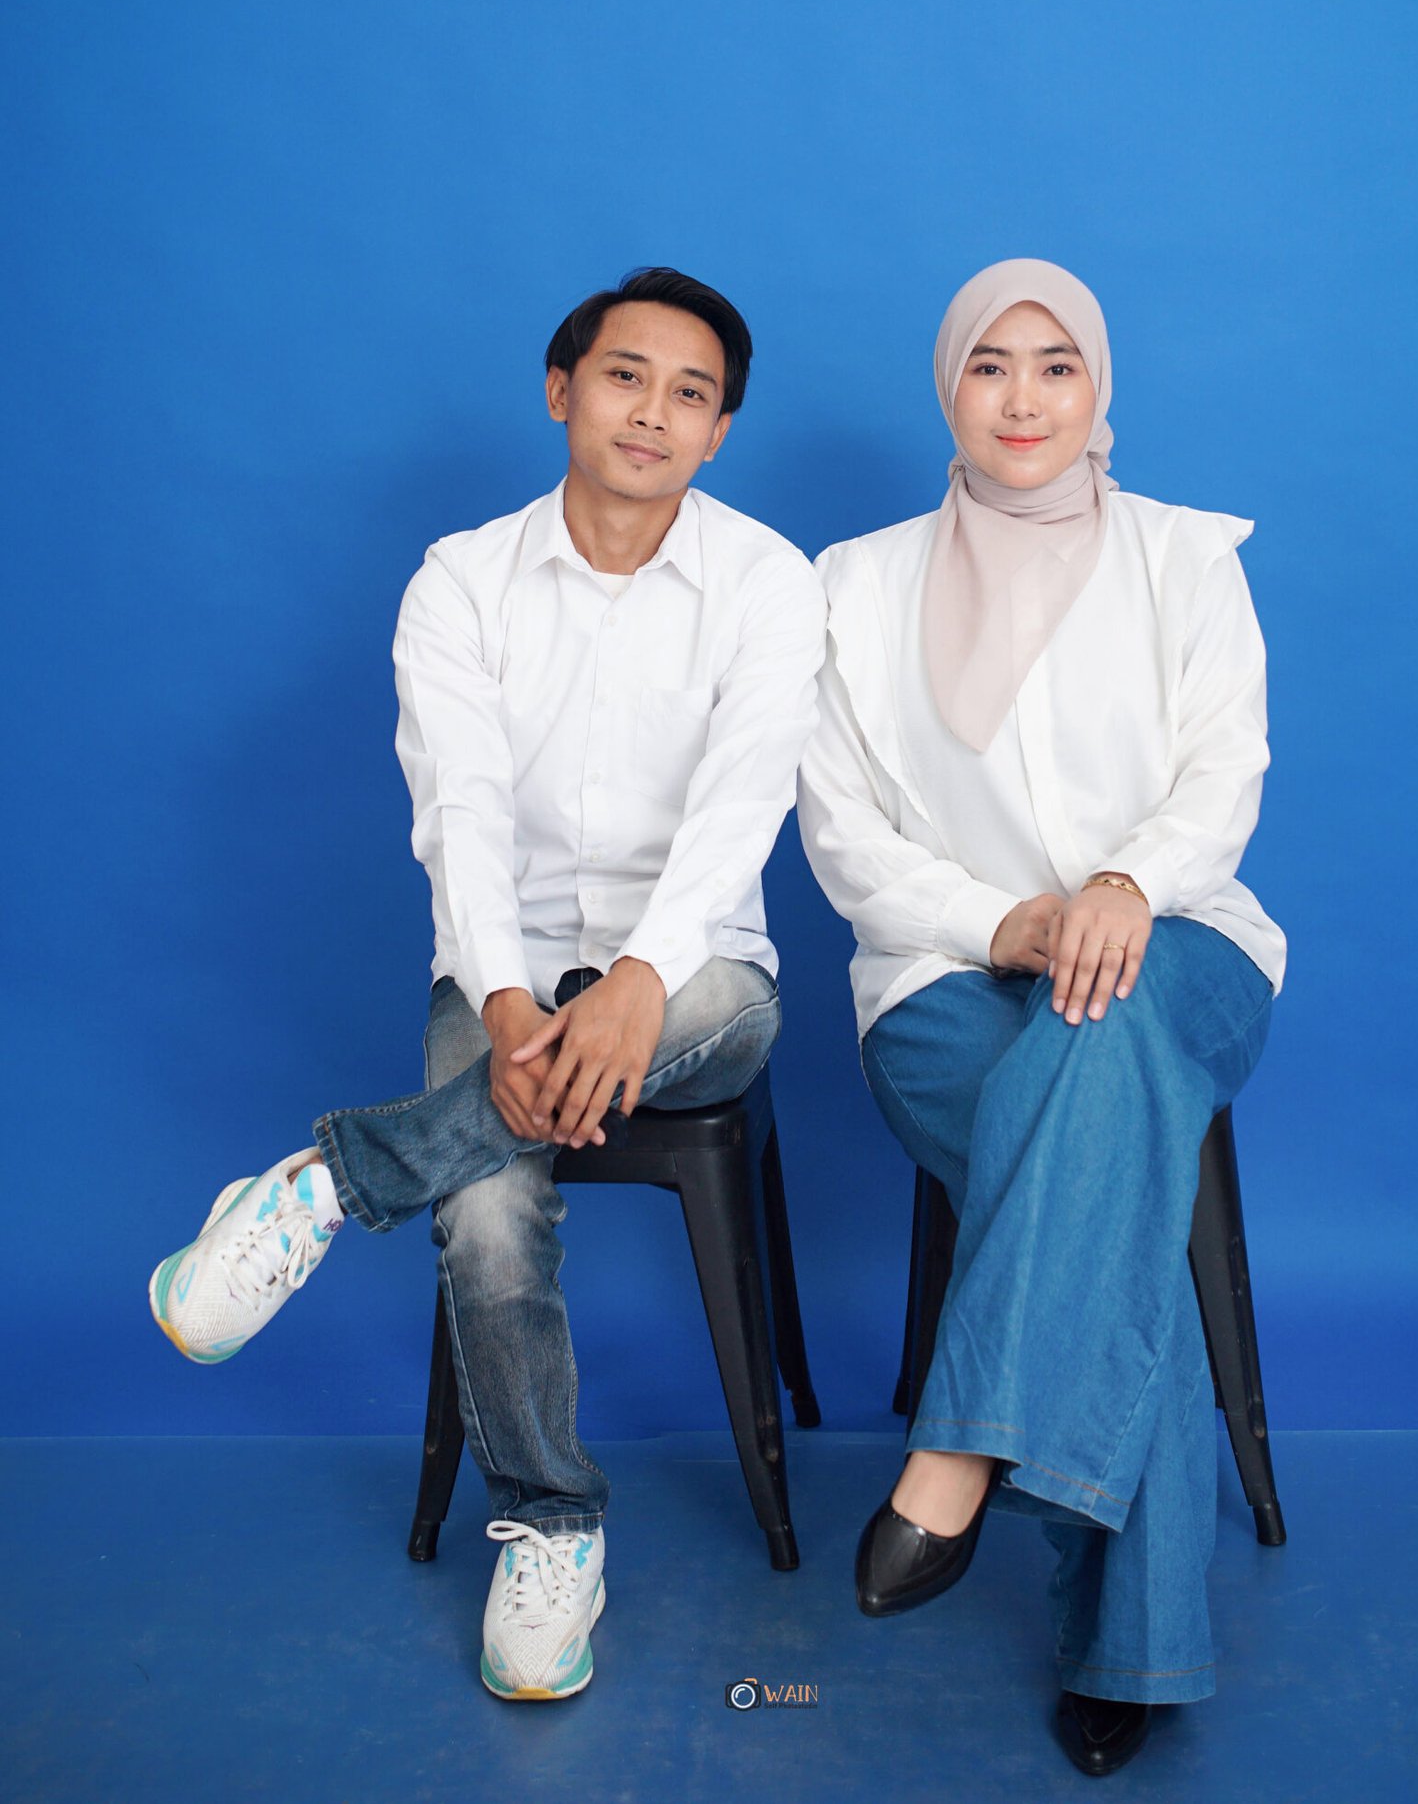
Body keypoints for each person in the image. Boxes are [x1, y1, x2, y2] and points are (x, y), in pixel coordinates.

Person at [149, 266, 826, 1705]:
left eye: (691, 394)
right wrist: (513, 1008)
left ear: (719, 433)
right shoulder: (460, 580)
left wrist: (639, 978)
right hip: (501, 957)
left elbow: (744, 803)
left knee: (700, 1012)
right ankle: (555, 1525)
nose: (652, 413)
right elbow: (458, 808)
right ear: (562, 388)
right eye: (625, 375)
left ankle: (328, 1186)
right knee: (491, 1208)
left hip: (701, 974)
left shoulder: (770, 581)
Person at [795, 258, 1286, 1778]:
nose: (1024, 399)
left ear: (1100, 388)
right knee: (1109, 1160)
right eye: (989, 365)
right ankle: (1133, 1649)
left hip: (1179, 948)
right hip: (945, 982)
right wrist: (1002, 921)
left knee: (1108, 1034)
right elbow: (842, 833)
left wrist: (1126, 883)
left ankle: (956, 1450)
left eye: (1056, 364)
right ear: (948, 388)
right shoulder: (853, 584)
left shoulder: (1185, 559)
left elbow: (1225, 770)